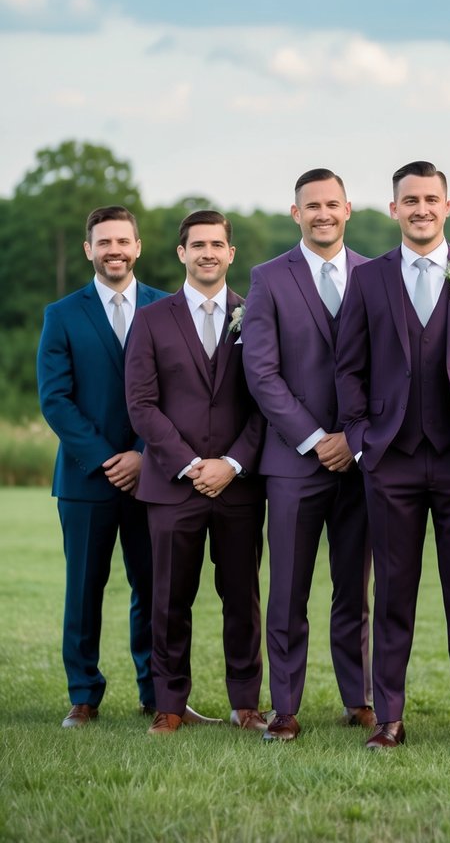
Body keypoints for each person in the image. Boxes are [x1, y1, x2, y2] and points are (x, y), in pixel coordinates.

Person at [336, 161, 450, 750]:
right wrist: (363, 439)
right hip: (391, 461)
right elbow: (350, 369)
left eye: (430, 199)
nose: (420, 209)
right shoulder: (368, 280)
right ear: (393, 209)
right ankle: (389, 718)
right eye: (409, 200)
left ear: (447, 205)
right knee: (392, 593)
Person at [242, 169, 373, 744]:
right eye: (310, 206)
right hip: (294, 463)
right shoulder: (268, 278)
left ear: (349, 209)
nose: (322, 213)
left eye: (331, 204)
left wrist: (355, 439)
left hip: (363, 460)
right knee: (288, 589)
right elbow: (262, 373)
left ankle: (358, 698)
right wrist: (316, 438)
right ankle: (286, 706)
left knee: (354, 589)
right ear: (295, 213)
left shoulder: (377, 274)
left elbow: (392, 370)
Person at [125, 210, 266, 734]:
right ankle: (169, 704)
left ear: (231, 254)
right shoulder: (151, 319)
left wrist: (230, 464)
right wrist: (188, 464)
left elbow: (264, 404)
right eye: (197, 244)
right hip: (171, 486)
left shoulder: (254, 316)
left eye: (217, 244)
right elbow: (141, 405)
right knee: (168, 599)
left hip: (238, 486)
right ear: (181, 253)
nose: (208, 252)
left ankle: (245, 703)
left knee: (242, 600)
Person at [37, 206, 169, 727]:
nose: (114, 250)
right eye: (103, 242)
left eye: (123, 241)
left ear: (138, 247)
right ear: (90, 249)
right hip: (85, 477)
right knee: (84, 588)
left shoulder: (166, 308)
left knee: (153, 588)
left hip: (151, 473)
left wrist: (142, 454)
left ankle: (157, 694)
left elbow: (173, 392)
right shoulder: (62, 314)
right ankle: (84, 695)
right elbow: (55, 400)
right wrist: (107, 459)